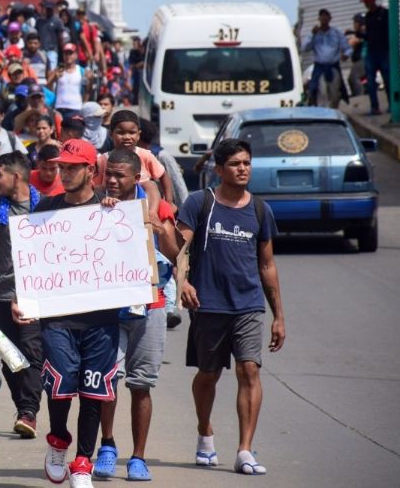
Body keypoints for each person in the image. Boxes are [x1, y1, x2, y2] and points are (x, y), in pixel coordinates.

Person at [177, 138, 285, 475]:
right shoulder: (199, 203)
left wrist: (279, 315)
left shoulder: (259, 210)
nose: (242, 169)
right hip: (209, 304)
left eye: (247, 163)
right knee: (208, 373)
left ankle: (245, 450)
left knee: (249, 369)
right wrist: (183, 283)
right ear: (219, 169)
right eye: (235, 164)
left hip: (249, 304)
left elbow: (267, 265)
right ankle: (205, 432)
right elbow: (179, 249)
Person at [19, 139, 121, 488]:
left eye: (72, 167)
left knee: (94, 391)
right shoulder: (45, 209)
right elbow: (30, 258)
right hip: (58, 318)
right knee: (60, 386)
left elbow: (131, 254)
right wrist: (24, 299)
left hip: (101, 319)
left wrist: (117, 214)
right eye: (62, 166)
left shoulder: (111, 210)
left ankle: (82, 463)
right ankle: (58, 440)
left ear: (91, 171)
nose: (64, 172)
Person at [93, 149, 179, 482]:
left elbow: (174, 252)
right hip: (110, 309)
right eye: (108, 174)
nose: (112, 181)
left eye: (119, 176)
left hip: (150, 305)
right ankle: (108, 445)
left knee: (141, 384)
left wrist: (158, 226)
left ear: (136, 178)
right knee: (106, 381)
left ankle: (138, 458)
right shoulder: (96, 204)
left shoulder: (154, 206)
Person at [0, 151, 44, 439]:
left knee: (32, 353)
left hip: (36, 294)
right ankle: (23, 409)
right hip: (1, 294)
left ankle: (29, 411)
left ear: (16, 176)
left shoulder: (47, 207)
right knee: (9, 357)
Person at [95, 110, 175, 207]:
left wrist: (169, 202)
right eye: (121, 133)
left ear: (138, 135)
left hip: (144, 205)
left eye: (132, 132)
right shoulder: (102, 160)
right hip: (112, 207)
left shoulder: (145, 155)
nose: (127, 137)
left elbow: (163, 175)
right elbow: (97, 188)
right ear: (111, 134)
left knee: (150, 184)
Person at [301, 9, 351, 108]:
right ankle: (321, 112)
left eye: (326, 16)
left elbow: (347, 49)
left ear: (330, 18)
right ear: (319, 18)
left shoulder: (336, 33)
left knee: (335, 95)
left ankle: (333, 112)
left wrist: (346, 55)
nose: (324, 18)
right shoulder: (315, 34)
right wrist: (312, 34)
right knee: (321, 92)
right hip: (320, 68)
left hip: (333, 67)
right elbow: (304, 48)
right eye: (322, 16)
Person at [359, 0, 390, 115]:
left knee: (388, 80)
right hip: (371, 53)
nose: (365, 4)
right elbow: (369, 36)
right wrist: (359, 34)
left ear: (372, 1)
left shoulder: (384, 14)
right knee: (370, 82)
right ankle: (374, 107)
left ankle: (392, 105)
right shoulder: (368, 17)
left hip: (383, 52)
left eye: (367, 1)